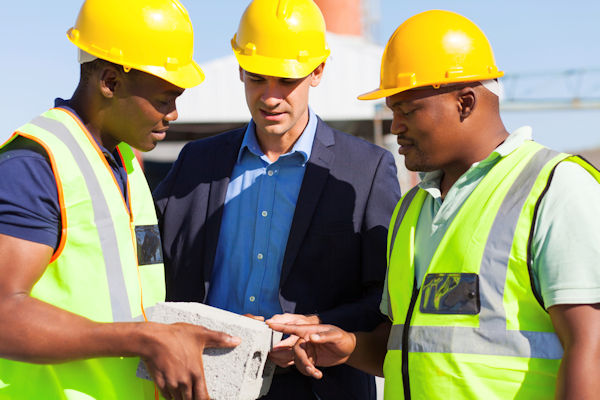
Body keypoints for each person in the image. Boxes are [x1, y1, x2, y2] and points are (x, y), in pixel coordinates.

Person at [268, 9, 600, 400]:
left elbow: (590, 349)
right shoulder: (412, 209)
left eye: (408, 110)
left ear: (465, 103)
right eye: (392, 111)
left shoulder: (555, 189)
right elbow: (413, 350)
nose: (395, 127)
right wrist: (351, 346)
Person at [153, 0, 401, 398]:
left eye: (286, 81)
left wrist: (315, 327)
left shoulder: (366, 170)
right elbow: (151, 271)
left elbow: (386, 295)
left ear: (317, 71)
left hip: (320, 388)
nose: (270, 97)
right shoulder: (196, 164)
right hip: (206, 385)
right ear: (239, 69)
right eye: (257, 79)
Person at [0, 1, 240, 399]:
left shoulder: (126, 164)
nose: (174, 114)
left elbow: (134, 301)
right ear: (110, 81)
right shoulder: (34, 164)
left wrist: (216, 333)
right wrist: (144, 339)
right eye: (164, 99)